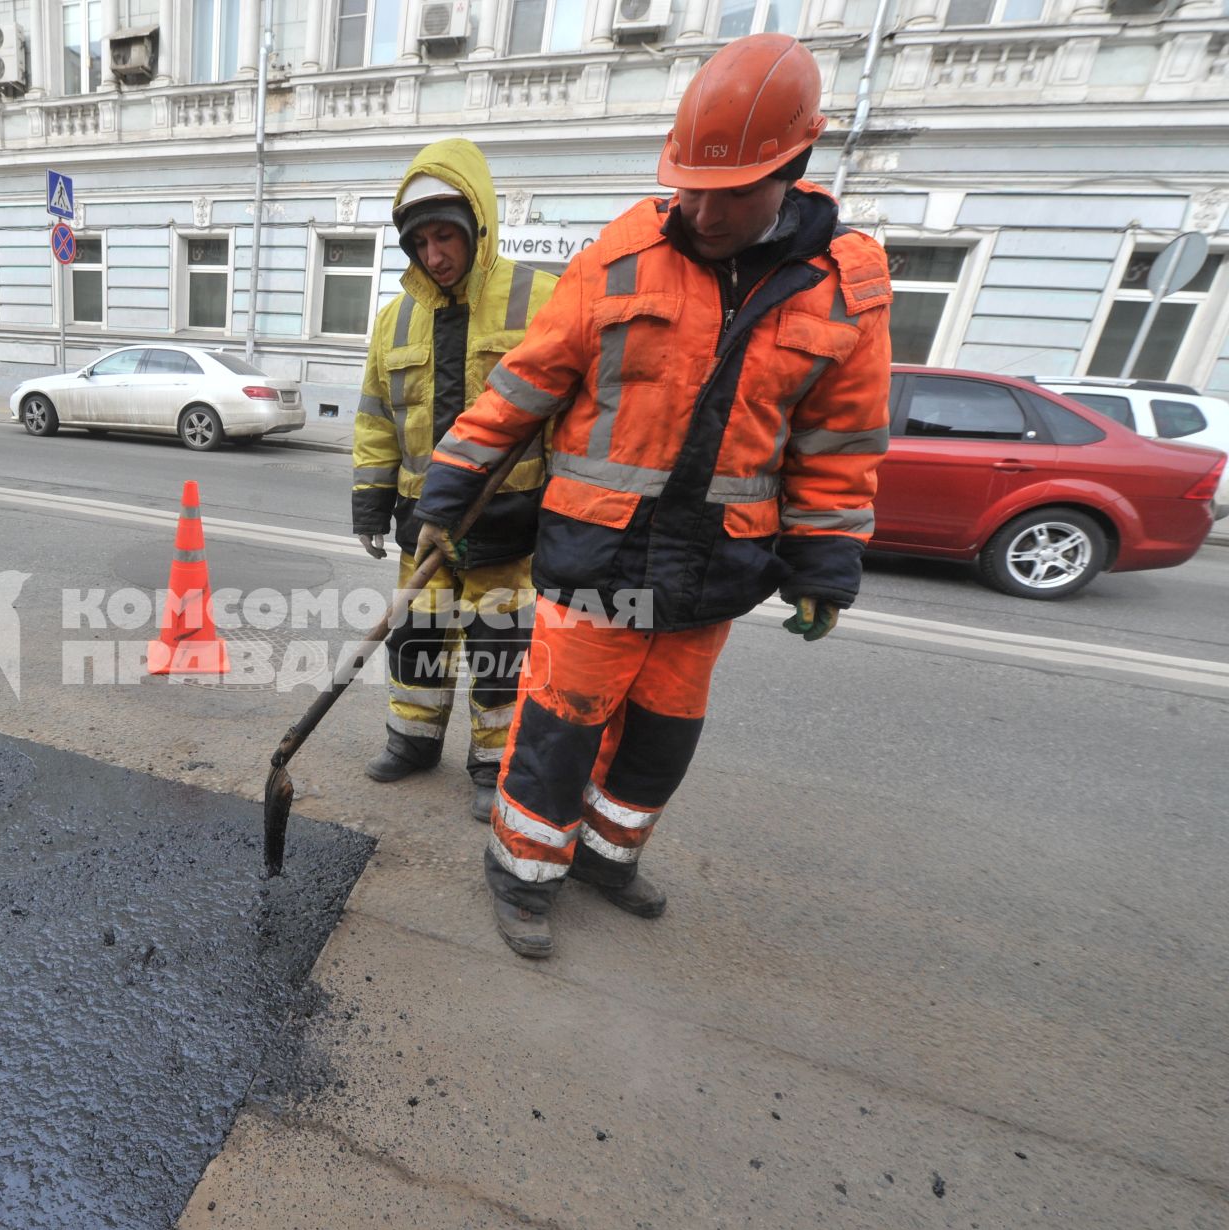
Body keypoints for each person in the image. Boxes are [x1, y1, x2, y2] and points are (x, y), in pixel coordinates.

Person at [413, 34, 894, 957]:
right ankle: (521, 874)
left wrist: (826, 562)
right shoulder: (623, 254)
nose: (702, 209)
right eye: (689, 185)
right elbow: (523, 385)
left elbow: (838, 445)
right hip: (596, 557)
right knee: (558, 727)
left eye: (730, 190)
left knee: (662, 737)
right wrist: (447, 489)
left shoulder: (845, 293)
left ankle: (606, 857)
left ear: (791, 169)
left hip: (716, 566)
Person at [351, 138, 558, 822]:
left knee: (499, 649)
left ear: (479, 227)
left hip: (507, 520)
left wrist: (561, 514)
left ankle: (492, 763)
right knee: (416, 638)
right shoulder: (394, 318)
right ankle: (411, 742)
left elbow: (566, 419)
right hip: (422, 522)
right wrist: (371, 502)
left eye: (447, 237)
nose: (434, 255)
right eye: (420, 242)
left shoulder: (540, 301)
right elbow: (378, 416)